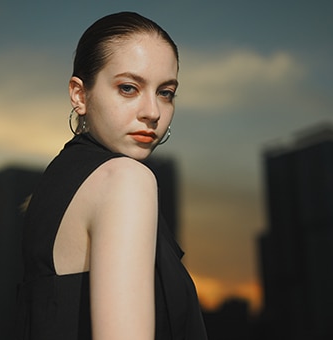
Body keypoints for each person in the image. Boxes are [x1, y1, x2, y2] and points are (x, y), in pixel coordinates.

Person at [15, 12, 207, 339]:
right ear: (79, 94)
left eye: (166, 92)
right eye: (129, 88)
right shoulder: (125, 179)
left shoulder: (54, 186)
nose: (153, 112)